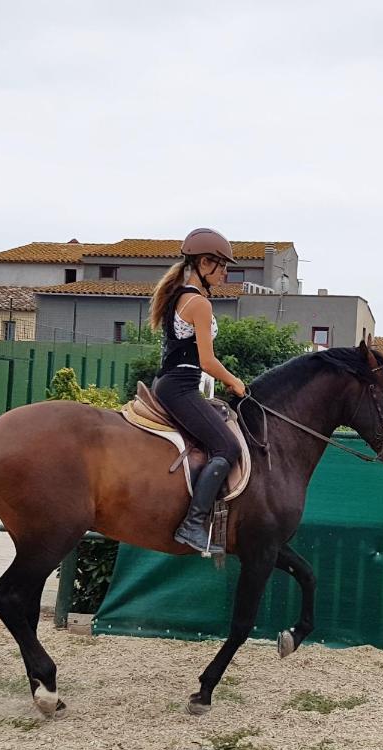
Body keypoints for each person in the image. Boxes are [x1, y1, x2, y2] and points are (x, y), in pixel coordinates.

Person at [150, 228, 246, 555]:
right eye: (222, 268)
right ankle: (193, 524)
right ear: (205, 263)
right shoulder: (199, 303)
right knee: (227, 446)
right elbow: (207, 361)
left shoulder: (180, 296)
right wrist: (235, 382)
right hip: (181, 386)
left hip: (171, 383)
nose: (225, 275)